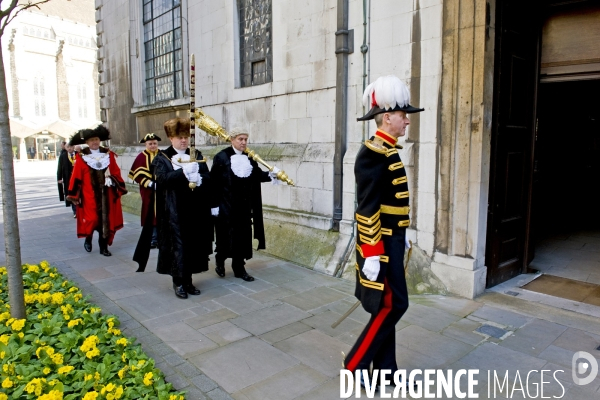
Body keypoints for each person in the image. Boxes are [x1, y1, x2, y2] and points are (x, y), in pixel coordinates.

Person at [343, 75, 423, 383]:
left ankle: (386, 369)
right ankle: (355, 364)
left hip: (393, 240)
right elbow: (367, 210)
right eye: (404, 116)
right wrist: (374, 254)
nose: (407, 122)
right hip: (381, 245)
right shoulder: (373, 153)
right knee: (394, 304)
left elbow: (392, 205)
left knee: (386, 305)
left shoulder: (388, 150)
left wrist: (402, 235)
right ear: (387, 117)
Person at [152, 117, 213, 299]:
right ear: (171, 138)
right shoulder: (162, 158)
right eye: (179, 137)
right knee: (178, 246)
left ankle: (189, 280)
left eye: (186, 136)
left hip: (195, 209)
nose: (184, 140)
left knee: (193, 245)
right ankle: (178, 281)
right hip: (173, 210)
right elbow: (162, 180)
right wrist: (183, 173)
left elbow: (207, 178)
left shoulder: (197, 155)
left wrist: (200, 179)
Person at [210, 128, 280, 282]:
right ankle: (220, 261)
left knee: (242, 238)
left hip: (243, 207)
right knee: (225, 238)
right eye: (240, 139)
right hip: (226, 207)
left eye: (245, 139)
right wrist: (214, 205)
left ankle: (239, 268)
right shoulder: (221, 157)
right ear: (232, 139)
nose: (243, 142)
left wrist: (271, 174)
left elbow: (256, 175)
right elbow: (213, 183)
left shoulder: (250, 157)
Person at [66, 125, 127, 256]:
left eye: (97, 139)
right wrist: (74, 195)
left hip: (107, 194)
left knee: (106, 221)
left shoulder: (108, 154)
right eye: (91, 140)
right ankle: (88, 239)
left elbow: (116, 172)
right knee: (92, 219)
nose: (94, 142)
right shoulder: (82, 157)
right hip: (89, 195)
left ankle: (103, 247)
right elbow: (76, 177)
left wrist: (112, 179)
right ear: (87, 142)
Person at [129, 133, 160, 248]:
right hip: (148, 191)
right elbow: (137, 175)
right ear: (145, 144)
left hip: (161, 190)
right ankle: (152, 238)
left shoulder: (162, 155)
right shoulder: (141, 157)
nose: (152, 146)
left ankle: (161, 238)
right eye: (150, 144)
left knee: (162, 212)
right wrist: (150, 183)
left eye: (154, 143)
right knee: (150, 213)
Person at [57, 143, 77, 217]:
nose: (69, 148)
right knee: (70, 194)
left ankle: (78, 209)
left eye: (71, 147)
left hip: (77, 178)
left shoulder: (79, 155)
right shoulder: (63, 156)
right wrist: (59, 178)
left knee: (78, 193)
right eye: (68, 147)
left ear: (74, 147)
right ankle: (75, 211)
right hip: (67, 178)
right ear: (65, 148)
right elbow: (59, 168)